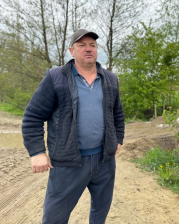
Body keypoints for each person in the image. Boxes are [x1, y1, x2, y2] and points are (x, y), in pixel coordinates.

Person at [22, 29, 125, 224]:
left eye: (92, 45)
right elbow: (33, 116)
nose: (88, 49)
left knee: (100, 214)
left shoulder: (110, 79)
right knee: (55, 218)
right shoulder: (55, 78)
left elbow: (117, 113)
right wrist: (37, 152)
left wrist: (118, 139)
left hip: (104, 161)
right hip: (68, 164)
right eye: (82, 45)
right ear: (71, 50)